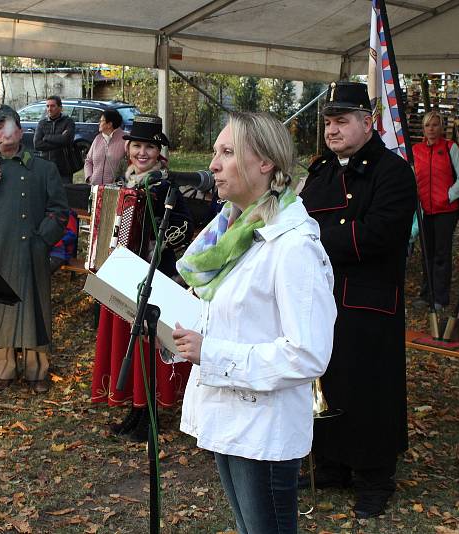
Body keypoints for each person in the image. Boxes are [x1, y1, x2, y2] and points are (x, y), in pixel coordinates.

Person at [174, 112, 336, 534]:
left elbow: (308, 353)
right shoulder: (234, 232)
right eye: (215, 152)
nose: (213, 165)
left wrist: (211, 353)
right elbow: (231, 314)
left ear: (265, 162)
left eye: (227, 153)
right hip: (231, 419)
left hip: (264, 430)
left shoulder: (294, 245)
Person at [297, 81, 417, 518]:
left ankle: (374, 478)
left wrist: (314, 241)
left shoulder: (393, 172)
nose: (332, 130)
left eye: (342, 121)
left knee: (369, 387)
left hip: (369, 299)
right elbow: (298, 220)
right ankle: (330, 464)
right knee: (324, 378)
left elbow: (379, 233)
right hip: (319, 295)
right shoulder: (321, 170)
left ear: (368, 124)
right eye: (328, 122)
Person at [89, 114, 195, 442]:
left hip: (157, 275)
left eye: (149, 147)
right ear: (128, 148)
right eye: (137, 146)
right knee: (129, 346)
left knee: (148, 347)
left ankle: (149, 415)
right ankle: (135, 410)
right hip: (125, 277)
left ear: (159, 152)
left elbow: (182, 231)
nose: (142, 153)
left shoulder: (168, 186)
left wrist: (151, 232)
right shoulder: (124, 185)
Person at [0, 104, 68, 393]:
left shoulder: (43, 168)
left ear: (20, 132)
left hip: (29, 251)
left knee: (34, 308)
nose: (4, 133)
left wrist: (40, 240)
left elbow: (59, 211)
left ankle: (37, 370)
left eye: (10, 126)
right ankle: (3, 370)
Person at [412, 110, 459, 311]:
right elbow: (412, 178)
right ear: (423, 128)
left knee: (441, 254)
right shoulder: (416, 150)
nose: (431, 129)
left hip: (446, 210)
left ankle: (441, 298)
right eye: (428, 125)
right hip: (425, 210)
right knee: (427, 252)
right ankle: (426, 294)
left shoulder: (450, 148)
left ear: (441, 127)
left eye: (435, 125)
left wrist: (448, 196)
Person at [34, 95, 76, 184]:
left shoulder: (68, 122)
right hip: (46, 167)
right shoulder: (42, 123)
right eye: (47, 106)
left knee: (65, 194)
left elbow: (66, 140)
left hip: (64, 168)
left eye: (53, 106)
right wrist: (60, 140)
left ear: (60, 108)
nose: (49, 109)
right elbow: (37, 144)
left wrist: (46, 137)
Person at [84, 109, 126, 185]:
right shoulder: (97, 139)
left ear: (109, 124)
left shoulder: (125, 140)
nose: (99, 123)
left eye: (101, 121)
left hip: (116, 190)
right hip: (95, 188)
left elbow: (131, 164)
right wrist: (89, 177)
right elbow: (88, 161)